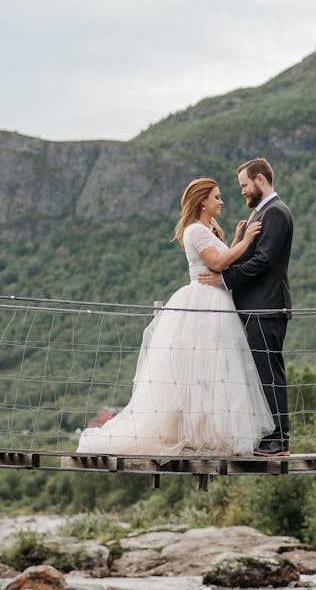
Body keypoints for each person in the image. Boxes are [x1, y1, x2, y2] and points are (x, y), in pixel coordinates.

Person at [76, 178, 274, 456]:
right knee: (200, 369)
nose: (221, 201)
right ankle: (196, 434)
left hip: (216, 302)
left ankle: (211, 433)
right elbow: (219, 263)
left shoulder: (207, 230)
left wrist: (238, 239)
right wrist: (248, 240)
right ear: (202, 201)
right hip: (204, 304)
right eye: (216, 197)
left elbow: (225, 257)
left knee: (215, 369)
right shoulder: (195, 231)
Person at [198, 158, 294, 457]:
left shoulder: (276, 213)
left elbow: (264, 260)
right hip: (256, 307)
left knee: (269, 371)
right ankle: (269, 436)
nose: (242, 192)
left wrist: (225, 278)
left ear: (260, 180)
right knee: (260, 371)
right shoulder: (260, 213)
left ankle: (279, 438)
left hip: (266, 306)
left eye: (244, 185)